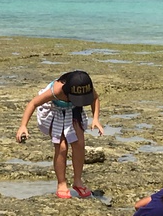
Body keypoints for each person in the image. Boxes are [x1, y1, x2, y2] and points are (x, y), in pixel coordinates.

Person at [16, 70, 104, 199]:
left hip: (73, 109)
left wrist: (96, 119)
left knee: (79, 144)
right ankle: (61, 183)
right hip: (53, 110)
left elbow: (95, 98)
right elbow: (33, 103)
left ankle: (77, 181)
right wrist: (23, 126)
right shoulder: (56, 91)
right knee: (62, 146)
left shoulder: (84, 88)